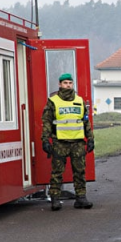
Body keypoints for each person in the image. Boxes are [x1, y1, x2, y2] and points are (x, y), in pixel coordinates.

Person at [41, 73, 95, 211]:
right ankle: (55, 198)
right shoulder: (53, 101)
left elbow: (85, 121)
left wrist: (90, 138)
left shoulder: (79, 100)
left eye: (70, 83)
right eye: (65, 83)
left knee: (80, 171)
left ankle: (81, 198)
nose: (68, 85)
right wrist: (46, 140)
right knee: (57, 171)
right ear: (60, 85)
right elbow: (46, 122)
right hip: (60, 141)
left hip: (77, 141)